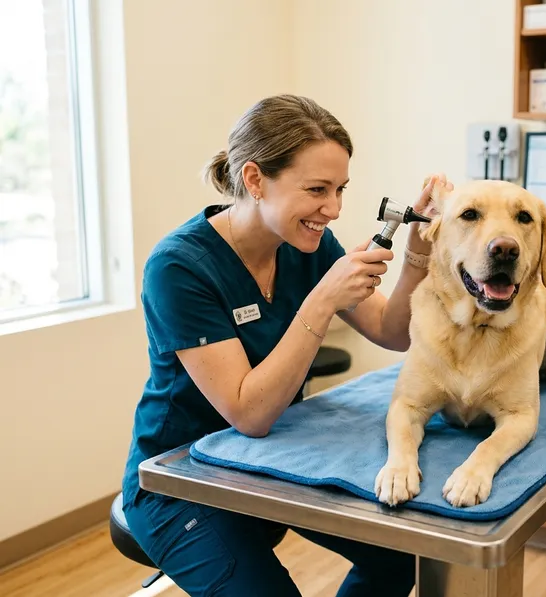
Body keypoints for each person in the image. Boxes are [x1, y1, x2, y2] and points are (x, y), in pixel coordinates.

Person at [121, 94, 451, 596]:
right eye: (317, 189)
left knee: (397, 558)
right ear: (255, 180)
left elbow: (393, 331)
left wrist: (416, 256)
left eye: (340, 189)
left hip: (271, 460)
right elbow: (249, 412)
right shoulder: (179, 267)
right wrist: (321, 303)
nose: (334, 209)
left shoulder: (306, 245)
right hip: (180, 478)